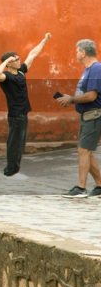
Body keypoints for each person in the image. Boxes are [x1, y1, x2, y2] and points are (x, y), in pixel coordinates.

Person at [0, 32, 51, 178]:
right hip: (15, 115)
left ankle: (14, 168)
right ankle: (10, 170)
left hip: (23, 113)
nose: (20, 61)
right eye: (16, 60)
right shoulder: (7, 77)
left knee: (20, 143)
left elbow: (32, 54)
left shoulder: (21, 72)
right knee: (14, 143)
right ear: (10, 63)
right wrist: (6, 62)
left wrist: (44, 41)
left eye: (18, 59)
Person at [58, 38, 101, 197]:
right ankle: (99, 185)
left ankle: (81, 187)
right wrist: (71, 99)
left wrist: (72, 99)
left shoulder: (96, 69)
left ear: (83, 52)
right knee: (86, 151)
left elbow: (91, 96)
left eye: (77, 51)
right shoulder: (89, 69)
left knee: (84, 150)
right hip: (87, 115)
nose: (76, 53)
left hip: (94, 115)